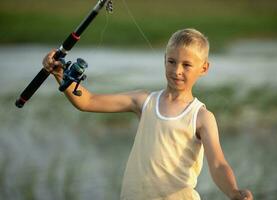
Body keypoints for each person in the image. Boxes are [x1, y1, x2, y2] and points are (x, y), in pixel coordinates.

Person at [43, 28, 253, 200]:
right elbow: (87, 101)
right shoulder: (144, 101)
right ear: (164, 59)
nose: (177, 70)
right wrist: (60, 74)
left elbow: (218, 164)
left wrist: (233, 192)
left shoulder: (201, 117)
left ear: (204, 68)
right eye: (171, 61)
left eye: (187, 65)